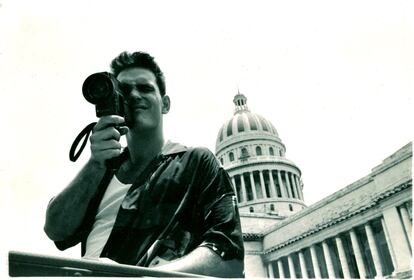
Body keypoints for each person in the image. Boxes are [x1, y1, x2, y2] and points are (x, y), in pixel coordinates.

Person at [43, 51, 245, 277]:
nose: (135, 95)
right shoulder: (101, 170)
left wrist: (137, 276)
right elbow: (55, 230)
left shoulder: (195, 162)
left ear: (165, 104)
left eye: (145, 88)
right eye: (125, 90)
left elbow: (229, 256)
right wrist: (95, 163)